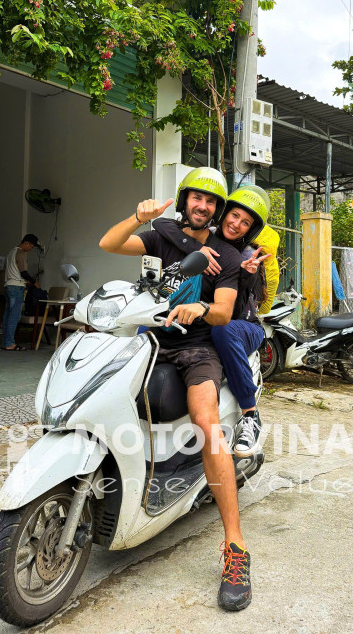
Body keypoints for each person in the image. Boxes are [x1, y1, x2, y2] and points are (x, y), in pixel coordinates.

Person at [99, 167, 254, 612]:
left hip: (197, 350)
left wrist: (200, 306)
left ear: (217, 209)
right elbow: (110, 244)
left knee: (206, 423)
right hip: (147, 341)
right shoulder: (162, 234)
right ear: (185, 199)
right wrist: (136, 216)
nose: (203, 206)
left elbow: (224, 312)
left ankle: (236, 547)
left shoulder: (225, 253)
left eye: (211, 202)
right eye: (196, 198)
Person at [153, 185, 276, 458]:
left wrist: (246, 276)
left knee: (223, 331)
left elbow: (233, 311)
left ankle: (250, 415)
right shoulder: (203, 239)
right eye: (234, 216)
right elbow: (161, 224)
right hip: (199, 325)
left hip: (242, 326)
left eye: (245, 223)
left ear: (250, 230)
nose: (236, 225)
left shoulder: (246, 255)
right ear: (223, 215)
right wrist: (197, 248)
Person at [1, 234, 41, 351]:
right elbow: (23, 272)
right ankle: (10, 343)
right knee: (14, 316)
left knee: (7, 315)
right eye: (32, 246)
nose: (31, 249)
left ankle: (5, 342)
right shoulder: (21, 253)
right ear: (27, 243)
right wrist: (34, 282)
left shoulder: (11, 252)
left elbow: (15, 272)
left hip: (8, 286)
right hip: (16, 288)